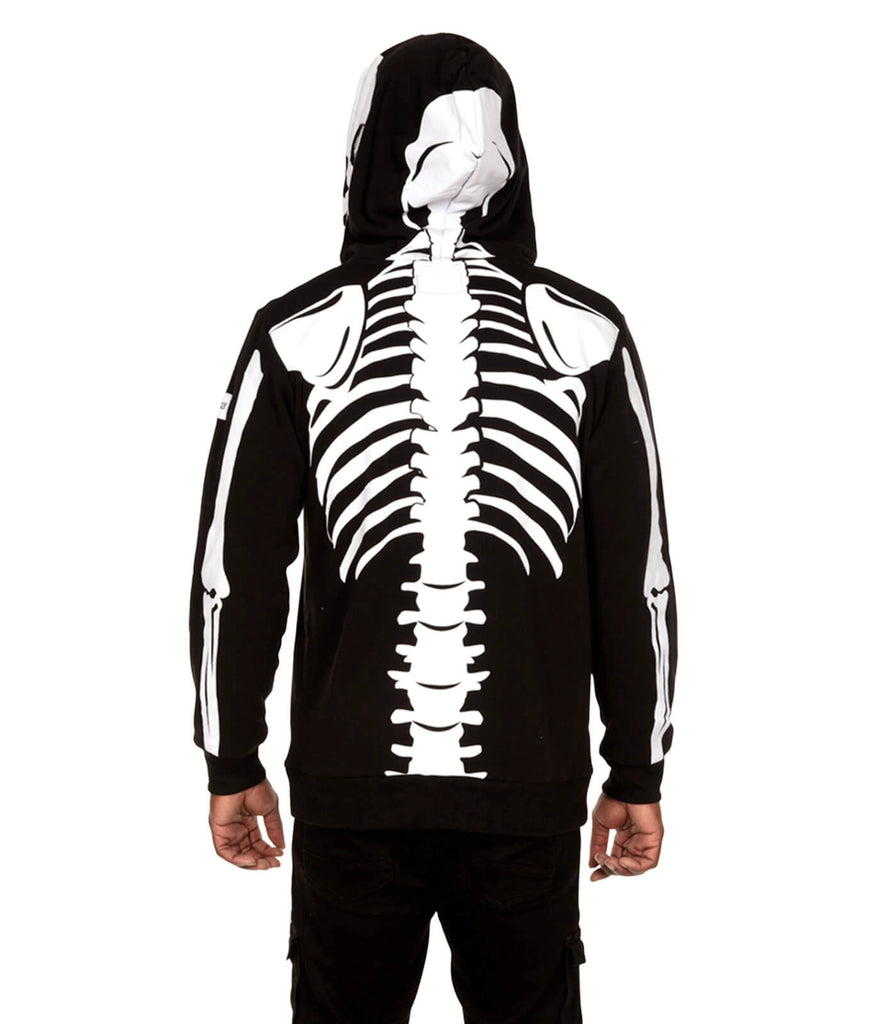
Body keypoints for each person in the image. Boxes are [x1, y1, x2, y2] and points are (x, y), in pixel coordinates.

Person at [189, 31, 677, 1024]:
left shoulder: (300, 331)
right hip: (525, 788)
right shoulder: (584, 332)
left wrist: (232, 759)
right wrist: (636, 765)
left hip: (353, 791)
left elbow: (233, 573)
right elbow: (635, 578)